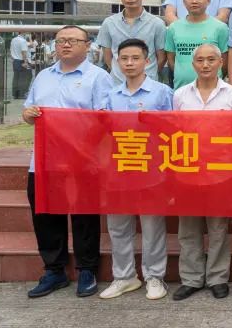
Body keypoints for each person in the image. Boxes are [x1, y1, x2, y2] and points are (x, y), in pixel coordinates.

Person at [20, 25, 113, 298]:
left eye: (73, 40)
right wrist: (28, 114)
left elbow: (104, 118)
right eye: (61, 40)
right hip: (44, 160)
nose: (66, 45)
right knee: (45, 214)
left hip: (82, 160)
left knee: (84, 215)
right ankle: (54, 270)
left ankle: (87, 269)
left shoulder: (99, 77)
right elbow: (27, 111)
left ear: (87, 45)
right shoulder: (43, 76)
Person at [98, 38, 173, 301]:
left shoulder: (162, 93)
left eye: (135, 58)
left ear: (147, 61)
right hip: (119, 169)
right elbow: (101, 133)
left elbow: (173, 131)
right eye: (124, 59)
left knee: (152, 226)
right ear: (117, 62)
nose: (129, 63)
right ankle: (124, 276)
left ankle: (154, 276)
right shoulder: (110, 96)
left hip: (152, 170)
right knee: (118, 226)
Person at [171, 44, 232, 301]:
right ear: (193, 65)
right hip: (187, 168)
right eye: (200, 60)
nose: (205, 64)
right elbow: (175, 132)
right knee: (188, 228)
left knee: (218, 226)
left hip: (220, 169)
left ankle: (217, 277)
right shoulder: (181, 95)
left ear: (220, 62)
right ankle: (191, 278)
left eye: (211, 59)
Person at [99, 0, 167, 84]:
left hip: (148, 84)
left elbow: (162, 58)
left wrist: (147, 74)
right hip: (117, 85)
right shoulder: (109, 23)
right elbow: (108, 58)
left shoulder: (157, 24)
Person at [164, 0, 230, 90]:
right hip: (182, 90)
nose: (194, 1)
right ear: (183, 1)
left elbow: (225, 62)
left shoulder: (220, 28)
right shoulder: (173, 28)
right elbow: (171, 60)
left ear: (208, 0)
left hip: (213, 91)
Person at [10, 31, 30, 98]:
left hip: (15, 61)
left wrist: (13, 59)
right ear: (23, 33)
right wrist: (25, 62)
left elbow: (11, 51)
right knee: (22, 78)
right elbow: (23, 52)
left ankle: (15, 94)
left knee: (15, 78)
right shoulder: (23, 41)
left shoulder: (13, 40)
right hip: (21, 61)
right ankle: (21, 94)